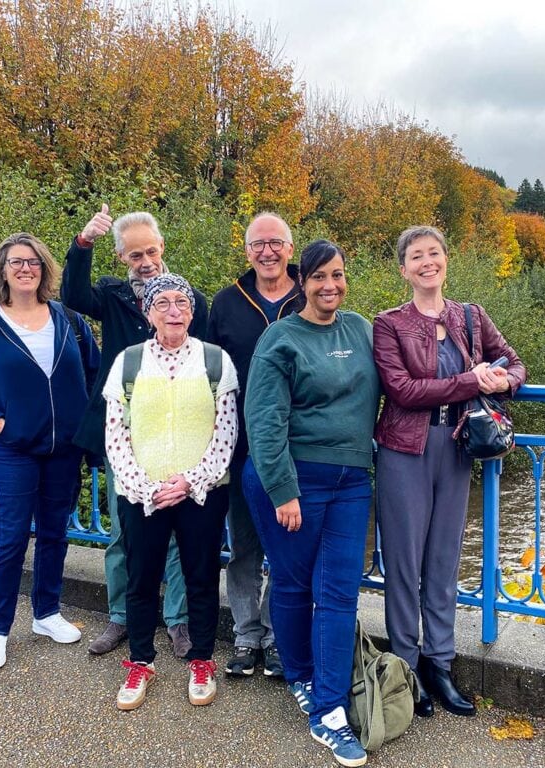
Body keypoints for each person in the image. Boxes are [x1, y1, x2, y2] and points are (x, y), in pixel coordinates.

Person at [373, 225, 526, 717]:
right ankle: (406, 665)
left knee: (443, 560)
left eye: (434, 253)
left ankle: (440, 663)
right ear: (404, 269)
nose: (427, 262)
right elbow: (402, 390)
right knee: (404, 562)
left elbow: (516, 364)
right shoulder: (389, 324)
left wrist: (502, 380)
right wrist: (469, 380)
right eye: (416, 256)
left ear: (446, 259)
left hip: (457, 446)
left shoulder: (471, 316)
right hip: (404, 449)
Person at [243, 240, 380, 768]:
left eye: (338, 275)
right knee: (294, 584)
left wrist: (480, 377)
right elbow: (264, 419)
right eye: (320, 276)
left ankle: (330, 708)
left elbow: (407, 375)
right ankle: (301, 677)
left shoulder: (361, 330)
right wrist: (283, 490)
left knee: (339, 593)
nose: (330, 285)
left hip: (352, 480)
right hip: (293, 480)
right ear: (302, 282)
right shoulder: (281, 338)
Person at [62, 206, 207, 658]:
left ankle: (178, 620)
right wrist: (83, 243)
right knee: (125, 529)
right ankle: (121, 616)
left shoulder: (189, 299)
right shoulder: (112, 295)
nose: (145, 262)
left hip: (179, 429)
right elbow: (73, 294)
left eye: (151, 251)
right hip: (124, 431)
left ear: (162, 247)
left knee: (180, 532)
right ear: (121, 257)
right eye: (135, 255)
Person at [0, 232, 100, 671]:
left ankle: (46, 613)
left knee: (55, 533)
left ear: (44, 269)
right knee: (12, 538)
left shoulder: (67, 318)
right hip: (13, 448)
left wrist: (85, 428)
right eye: (16, 261)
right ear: (2, 269)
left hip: (63, 449)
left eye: (33, 262)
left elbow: (94, 373)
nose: (25, 269)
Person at [103, 274, 237, 710]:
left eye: (182, 302)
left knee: (201, 578)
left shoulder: (216, 360)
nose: (173, 310)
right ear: (148, 313)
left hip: (203, 491)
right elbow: (116, 434)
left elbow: (226, 432)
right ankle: (140, 661)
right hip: (142, 493)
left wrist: (191, 481)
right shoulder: (128, 362)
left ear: (193, 312)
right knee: (141, 579)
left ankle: (201, 660)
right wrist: (146, 487)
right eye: (162, 303)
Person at [206, 212, 302, 679]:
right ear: (247, 251)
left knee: (286, 548)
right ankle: (246, 635)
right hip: (241, 446)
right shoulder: (227, 302)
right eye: (258, 244)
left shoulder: (311, 294)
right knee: (244, 546)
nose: (267, 252)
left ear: (290, 248)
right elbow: (207, 373)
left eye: (275, 243)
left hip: (298, 446)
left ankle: (278, 635)